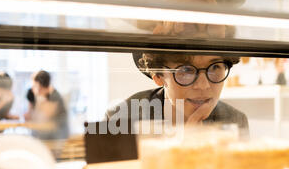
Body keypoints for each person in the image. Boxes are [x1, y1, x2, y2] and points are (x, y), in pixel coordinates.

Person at [106, 52, 249, 138]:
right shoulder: (121, 118)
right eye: (186, 70)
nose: (203, 85)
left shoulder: (234, 120)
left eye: (215, 67)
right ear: (158, 77)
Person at [24, 70, 69, 140]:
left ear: (40, 85)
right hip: (47, 131)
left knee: (38, 136)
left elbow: (46, 116)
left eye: (35, 85)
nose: (33, 88)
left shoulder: (54, 95)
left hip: (57, 133)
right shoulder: (39, 96)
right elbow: (32, 117)